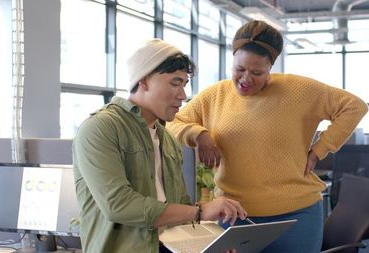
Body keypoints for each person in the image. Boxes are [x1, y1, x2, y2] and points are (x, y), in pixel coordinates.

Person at [166, 20, 369, 253]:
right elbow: (173, 122)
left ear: (270, 67)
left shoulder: (298, 90)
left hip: (297, 215)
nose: (246, 79)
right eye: (239, 69)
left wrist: (320, 149)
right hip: (235, 215)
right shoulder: (215, 95)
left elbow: (354, 106)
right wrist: (198, 134)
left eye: (257, 72)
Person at [73, 39, 247, 253]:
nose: (183, 95)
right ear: (144, 81)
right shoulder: (101, 128)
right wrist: (200, 211)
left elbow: (179, 211)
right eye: (175, 83)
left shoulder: (167, 140)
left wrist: (208, 246)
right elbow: (119, 205)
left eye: (184, 85)